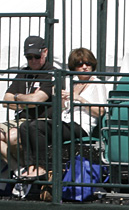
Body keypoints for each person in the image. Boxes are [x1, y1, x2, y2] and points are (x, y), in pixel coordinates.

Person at [15, 48, 108, 181]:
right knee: (25, 126)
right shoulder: (72, 83)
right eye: (80, 64)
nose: (84, 67)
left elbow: (100, 111)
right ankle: (30, 166)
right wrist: (62, 101)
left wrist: (80, 99)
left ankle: (43, 165)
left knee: (37, 127)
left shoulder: (96, 84)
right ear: (73, 67)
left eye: (88, 63)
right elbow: (64, 108)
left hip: (81, 126)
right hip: (65, 121)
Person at [1, 36, 54, 174]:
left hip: (40, 121)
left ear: (45, 52)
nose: (33, 60)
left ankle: (27, 169)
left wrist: (18, 98)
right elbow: (6, 100)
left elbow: (37, 99)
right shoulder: (23, 73)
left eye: (36, 56)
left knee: (12, 137)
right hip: (20, 119)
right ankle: (19, 169)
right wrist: (26, 102)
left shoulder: (51, 73)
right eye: (29, 57)